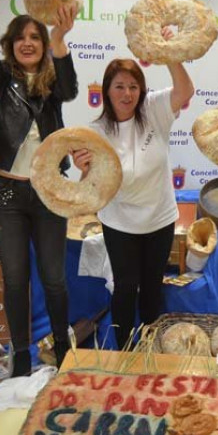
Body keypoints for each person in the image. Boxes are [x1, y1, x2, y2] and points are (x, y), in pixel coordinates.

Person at [0, 0, 78, 376]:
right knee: (15, 279)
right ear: (10, 45)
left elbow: (72, 89)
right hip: (5, 193)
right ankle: (20, 353)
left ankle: (63, 349)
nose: (29, 43)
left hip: (50, 192)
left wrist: (60, 39)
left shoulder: (52, 86)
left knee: (54, 278)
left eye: (36, 37)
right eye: (21, 38)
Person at [72, 43, 193, 350]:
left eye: (133, 86)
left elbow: (185, 90)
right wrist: (83, 169)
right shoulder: (95, 131)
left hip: (159, 218)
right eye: (119, 87)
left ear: (142, 90)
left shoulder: (154, 110)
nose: (127, 94)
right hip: (120, 221)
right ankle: (124, 350)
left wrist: (171, 54)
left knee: (153, 287)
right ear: (107, 91)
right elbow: (91, 186)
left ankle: (152, 350)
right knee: (125, 288)